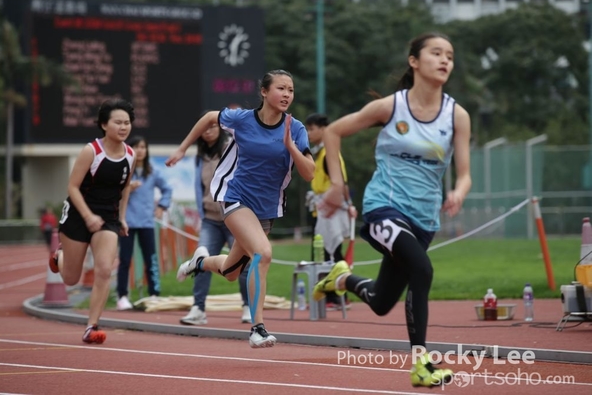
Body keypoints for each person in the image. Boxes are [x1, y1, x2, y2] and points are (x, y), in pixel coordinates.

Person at [312, 33, 471, 387]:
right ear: (414, 61)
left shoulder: (457, 115)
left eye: (450, 55)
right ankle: (421, 363)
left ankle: (340, 277)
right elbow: (333, 133)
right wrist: (337, 185)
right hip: (383, 208)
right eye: (436, 53)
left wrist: (458, 193)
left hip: (424, 219)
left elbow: (465, 174)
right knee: (422, 269)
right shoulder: (390, 107)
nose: (445, 60)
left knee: (382, 301)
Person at [166, 69, 315, 348]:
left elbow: (309, 173)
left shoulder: (295, 128)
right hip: (236, 199)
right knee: (263, 253)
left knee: (231, 270)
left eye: (291, 90)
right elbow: (210, 117)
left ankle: (199, 262)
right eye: (281, 88)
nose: (286, 95)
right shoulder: (243, 119)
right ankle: (257, 328)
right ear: (264, 91)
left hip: (267, 209)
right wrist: (183, 148)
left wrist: (291, 147)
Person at [49, 98, 136, 344]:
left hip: (107, 218)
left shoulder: (130, 155)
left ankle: (91, 326)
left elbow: (126, 187)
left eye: (127, 123)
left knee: (105, 270)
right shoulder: (92, 151)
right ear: (104, 125)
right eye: (118, 122)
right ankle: (60, 257)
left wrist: (121, 218)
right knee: (70, 278)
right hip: (79, 214)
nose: (123, 127)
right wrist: (88, 216)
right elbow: (72, 187)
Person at [180, 113, 251, 325]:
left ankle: (248, 306)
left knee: (243, 264)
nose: (208, 130)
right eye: (205, 128)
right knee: (201, 261)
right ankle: (198, 309)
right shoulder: (200, 156)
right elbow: (199, 186)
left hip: (234, 218)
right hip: (210, 219)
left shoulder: (230, 148)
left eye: (212, 127)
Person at [305, 113, 357, 311]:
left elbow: (341, 182)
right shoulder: (320, 153)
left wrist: (349, 205)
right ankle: (330, 296)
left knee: (333, 252)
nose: (309, 133)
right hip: (321, 210)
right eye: (308, 129)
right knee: (324, 253)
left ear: (324, 129)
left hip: (331, 211)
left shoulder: (330, 154)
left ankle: (339, 296)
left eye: (312, 129)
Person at [115, 135, 173, 311]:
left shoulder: (152, 171)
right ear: (129, 149)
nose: (140, 150)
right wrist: (128, 188)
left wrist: (162, 206)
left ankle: (154, 293)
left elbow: (167, 189)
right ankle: (122, 296)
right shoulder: (123, 171)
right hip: (126, 222)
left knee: (151, 259)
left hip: (147, 222)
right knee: (124, 260)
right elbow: (112, 193)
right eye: (136, 147)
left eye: (143, 147)